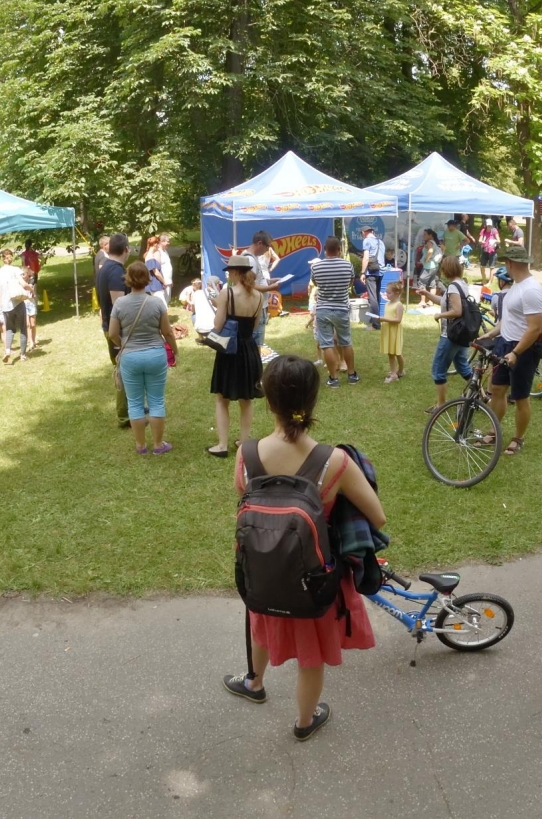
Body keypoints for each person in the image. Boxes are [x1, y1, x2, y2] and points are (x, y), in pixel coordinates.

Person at [220, 355, 386, 740]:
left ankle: (254, 682)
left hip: (263, 572)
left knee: (263, 622)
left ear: (268, 400)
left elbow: (244, 497)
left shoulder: (247, 455)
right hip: (315, 579)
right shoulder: (334, 461)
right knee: (311, 657)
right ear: (312, 400)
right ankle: (305, 722)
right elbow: (377, 517)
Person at [482, 244, 542, 457]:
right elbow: (508, 318)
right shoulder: (516, 287)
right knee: (497, 389)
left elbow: (535, 328)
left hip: (523, 348)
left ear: (510, 263)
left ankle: (518, 438)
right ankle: (494, 431)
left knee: (520, 396)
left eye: (505, 263)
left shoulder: (532, 290)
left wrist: (516, 352)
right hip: (504, 344)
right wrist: (491, 334)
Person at [109, 261, 179, 456]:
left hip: (130, 356)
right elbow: (167, 332)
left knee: (134, 402)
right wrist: (175, 351)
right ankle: (158, 444)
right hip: (155, 354)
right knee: (156, 400)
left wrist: (123, 344)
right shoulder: (156, 303)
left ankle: (140, 445)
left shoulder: (120, 303)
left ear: (128, 279)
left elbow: (112, 333)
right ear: (148, 279)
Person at [207, 256, 263, 458]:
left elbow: (217, 325)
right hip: (249, 349)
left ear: (237, 272)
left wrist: (218, 305)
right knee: (246, 399)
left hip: (229, 350)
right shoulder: (258, 296)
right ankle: (244, 443)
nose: (228, 274)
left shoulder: (227, 293)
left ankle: (222, 445)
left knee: (222, 399)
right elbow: (254, 326)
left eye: (230, 271)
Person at [416, 255, 474, 410]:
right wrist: (427, 294)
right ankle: (482, 395)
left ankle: (440, 405)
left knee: (438, 370)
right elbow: (445, 302)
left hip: (450, 335)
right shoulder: (461, 284)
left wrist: (440, 315)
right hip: (461, 335)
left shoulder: (453, 287)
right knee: (463, 367)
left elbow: (457, 310)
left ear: (446, 270)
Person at [308, 237, 358, 388]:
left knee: (326, 344)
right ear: (339, 250)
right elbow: (350, 283)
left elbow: (315, 284)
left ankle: (333, 379)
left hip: (323, 309)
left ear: (325, 250)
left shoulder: (316, 267)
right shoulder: (347, 265)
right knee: (346, 341)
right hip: (341, 308)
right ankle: (351, 375)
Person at [96, 233, 132, 429]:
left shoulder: (105, 267)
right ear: (126, 249)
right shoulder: (116, 272)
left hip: (110, 326)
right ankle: (125, 415)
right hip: (116, 330)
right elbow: (119, 306)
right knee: (124, 371)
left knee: (125, 369)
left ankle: (131, 409)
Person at [0, 247, 31, 363]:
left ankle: (7, 350)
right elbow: (23, 284)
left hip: (5, 305)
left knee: (9, 329)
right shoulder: (15, 270)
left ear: (2, 258)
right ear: (11, 258)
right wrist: (31, 290)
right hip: (17, 302)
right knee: (23, 328)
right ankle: (23, 355)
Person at [246, 231, 284, 346]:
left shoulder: (253, 258)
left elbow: (256, 280)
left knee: (256, 341)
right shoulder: (250, 260)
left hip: (258, 305)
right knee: (256, 343)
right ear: (259, 243)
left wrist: (269, 281)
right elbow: (250, 285)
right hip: (256, 306)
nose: (268, 250)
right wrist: (271, 287)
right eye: (267, 246)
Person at [372, 280, 405, 383]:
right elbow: (387, 316)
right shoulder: (387, 304)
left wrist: (384, 319)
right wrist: (380, 319)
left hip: (394, 331)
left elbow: (398, 320)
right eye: (386, 292)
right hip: (387, 330)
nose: (387, 294)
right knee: (390, 353)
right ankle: (394, 372)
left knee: (397, 353)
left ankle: (399, 371)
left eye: (389, 293)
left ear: (397, 293)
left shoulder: (399, 305)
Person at [360, 225, 385, 330]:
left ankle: (376, 325)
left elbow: (366, 258)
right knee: (377, 298)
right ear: (372, 232)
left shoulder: (366, 241)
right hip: (381, 272)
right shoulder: (381, 242)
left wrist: (362, 272)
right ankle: (374, 320)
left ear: (363, 232)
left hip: (371, 272)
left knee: (372, 299)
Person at [416, 228, 441, 302]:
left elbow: (430, 251)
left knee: (421, 282)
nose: (424, 236)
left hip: (428, 266)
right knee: (432, 283)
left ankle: (422, 301)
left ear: (430, 235)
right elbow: (443, 248)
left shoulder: (430, 242)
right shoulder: (434, 242)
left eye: (425, 234)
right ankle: (431, 301)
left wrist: (426, 259)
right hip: (435, 266)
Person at [477, 218, 499, 285]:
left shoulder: (494, 231)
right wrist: (482, 242)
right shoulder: (483, 231)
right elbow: (479, 240)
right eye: (488, 226)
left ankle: (490, 282)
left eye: (490, 226)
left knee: (492, 267)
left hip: (492, 251)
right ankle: (484, 280)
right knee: (482, 266)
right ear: (486, 225)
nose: (489, 227)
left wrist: (494, 241)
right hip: (485, 250)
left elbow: (499, 240)